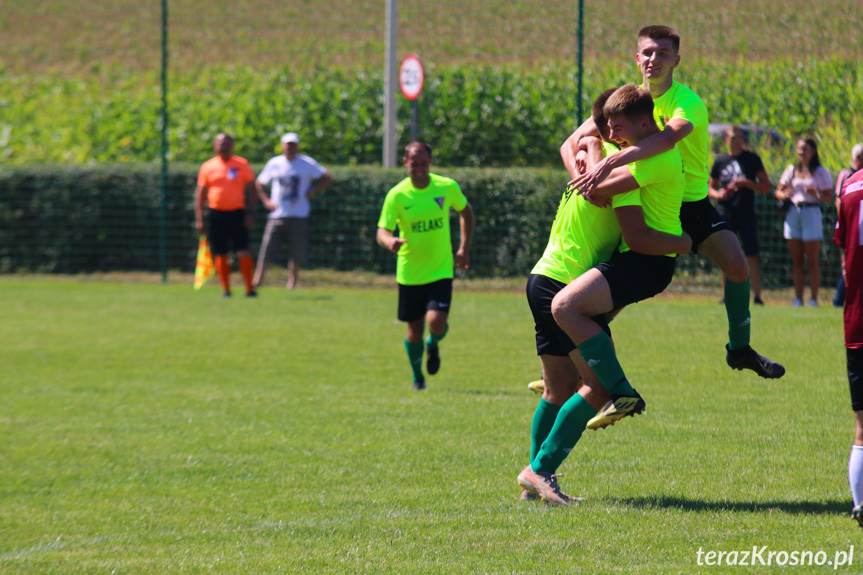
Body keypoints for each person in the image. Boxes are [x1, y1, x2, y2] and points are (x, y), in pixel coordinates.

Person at [563, 25, 784, 381]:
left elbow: (668, 138)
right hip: (646, 201)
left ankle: (739, 349)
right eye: (648, 52)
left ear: (676, 61)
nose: (654, 59)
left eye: (663, 53)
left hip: (691, 205)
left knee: (737, 266)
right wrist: (583, 178)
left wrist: (607, 162)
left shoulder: (687, 101)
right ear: (637, 58)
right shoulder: (625, 100)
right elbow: (572, 141)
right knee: (614, 292)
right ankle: (567, 360)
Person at [518, 85, 691, 506]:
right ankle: (541, 470)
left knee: (557, 391)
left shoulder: (588, 162)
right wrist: (683, 242)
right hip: (564, 284)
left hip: (541, 277)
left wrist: (590, 147)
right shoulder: (616, 180)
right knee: (595, 388)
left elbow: (578, 146)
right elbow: (603, 194)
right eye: (608, 127)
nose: (612, 134)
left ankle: (533, 484)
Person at [376, 142, 474, 390]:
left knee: (437, 323)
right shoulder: (397, 195)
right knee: (414, 328)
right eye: (413, 162)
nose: (418, 167)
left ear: (430, 162)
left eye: (423, 162)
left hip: (441, 269)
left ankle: (434, 343)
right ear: (405, 163)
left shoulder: (446, 186)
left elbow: (466, 212)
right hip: (409, 273)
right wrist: (390, 241)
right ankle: (417, 377)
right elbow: (382, 230)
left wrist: (464, 247)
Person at [253, 132, 332, 290]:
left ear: (297, 146)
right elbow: (259, 183)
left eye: (293, 145)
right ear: (282, 146)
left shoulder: (306, 163)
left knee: (297, 251)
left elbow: (326, 176)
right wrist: (266, 201)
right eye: (287, 145)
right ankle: (258, 279)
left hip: (299, 214)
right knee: (267, 249)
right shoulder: (275, 163)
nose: (290, 148)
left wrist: (313, 191)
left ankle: (293, 281)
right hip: (278, 214)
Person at [708, 125, 771, 305]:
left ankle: (757, 296)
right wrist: (719, 194)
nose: (738, 140)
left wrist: (746, 183)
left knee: (752, 254)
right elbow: (709, 187)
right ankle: (726, 295)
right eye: (734, 137)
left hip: (746, 214)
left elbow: (765, 187)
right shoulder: (720, 160)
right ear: (727, 139)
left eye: (741, 137)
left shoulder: (752, 159)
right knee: (725, 255)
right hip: (725, 213)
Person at [833, 166, 863, 528]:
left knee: (861, 427)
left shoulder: (851, 185)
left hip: (857, 321)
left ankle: (859, 504)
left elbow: (844, 261)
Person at [194, 133, 258, 298]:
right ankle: (226, 289)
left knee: (244, 251)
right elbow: (200, 195)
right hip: (216, 215)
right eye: (221, 144)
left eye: (227, 143)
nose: (224, 146)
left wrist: (250, 212)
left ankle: (250, 289)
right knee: (221, 252)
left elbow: (253, 189)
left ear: (232, 146)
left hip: (237, 214)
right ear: (215, 146)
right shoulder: (208, 166)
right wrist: (200, 219)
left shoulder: (242, 164)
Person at [775, 138, 833, 307]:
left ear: (813, 151)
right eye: (799, 149)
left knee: (812, 260)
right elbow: (778, 192)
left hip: (811, 212)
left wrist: (816, 195)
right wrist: (785, 195)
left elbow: (828, 197)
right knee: (797, 260)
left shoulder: (820, 172)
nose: (801, 152)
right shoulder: (792, 170)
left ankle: (814, 299)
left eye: (805, 149)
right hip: (793, 212)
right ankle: (798, 298)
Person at [833, 143, 863, 307]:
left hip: (858, 224)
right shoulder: (846, 174)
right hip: (847, 223)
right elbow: (839, 199)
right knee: (847, 262)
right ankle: (839, 300)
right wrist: (844, 219)